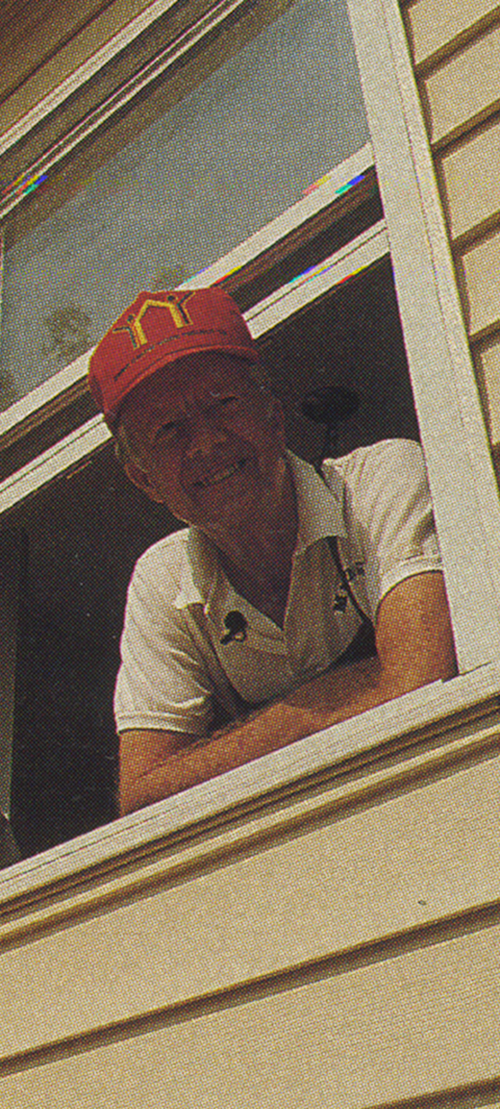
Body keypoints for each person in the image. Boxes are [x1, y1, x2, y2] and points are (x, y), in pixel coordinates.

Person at [88, 287, 457, 816]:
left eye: (224, 404)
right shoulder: (161, 580)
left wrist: (230, 744)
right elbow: (143, 791)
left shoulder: (379, 480)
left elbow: (421, 680)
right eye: (168, 429)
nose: (206, 443)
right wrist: (313, 708)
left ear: (274, 416)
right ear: (144, 480)